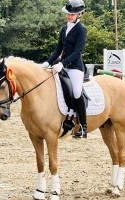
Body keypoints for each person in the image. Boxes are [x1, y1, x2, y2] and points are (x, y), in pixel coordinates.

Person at [41, 0, 87, 138]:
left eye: (72, 15)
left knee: (77, 92)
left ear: (79, 14)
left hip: (75, 67)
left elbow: (77, 52)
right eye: (68, 14)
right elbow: (58, 49)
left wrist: (63, 63)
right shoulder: (64, 29)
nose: (69, 16)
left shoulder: (81, 30)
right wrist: (47, 62)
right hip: (61, 65)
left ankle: (83, 126)